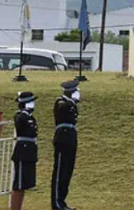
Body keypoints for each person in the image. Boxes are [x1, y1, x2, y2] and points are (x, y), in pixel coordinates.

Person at [51, 80, 80, 210]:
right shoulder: (61, 102)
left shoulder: (70, 104)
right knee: (60, 172)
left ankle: (62, 201)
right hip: (62, 139)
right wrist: (73, 101)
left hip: (71, 139)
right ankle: (56, 203)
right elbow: (64, 109)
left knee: (67, 171)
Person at [10, 92, 38, 210]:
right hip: (22, 151)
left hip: (29, 152)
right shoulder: (21, 116)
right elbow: (20, 122)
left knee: (24, 184)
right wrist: (24, 111)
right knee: (18, 185)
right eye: (31, 101)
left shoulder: (30, 117)